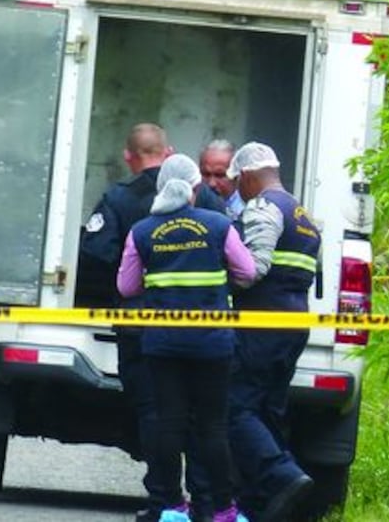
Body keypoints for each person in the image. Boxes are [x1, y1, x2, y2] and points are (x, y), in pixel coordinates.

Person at [78, 126, 215, 521]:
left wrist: (124, 287)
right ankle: (206, 501)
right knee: (202, 416)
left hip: (141, 329)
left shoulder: (119, 198)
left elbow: (98, 255)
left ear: (128, 156)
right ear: (169, 151)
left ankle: (166, 503)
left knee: (155, 415)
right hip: (204, 327)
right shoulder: (202, 195)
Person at [119, 164, 256, 522]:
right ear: (194, 189)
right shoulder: (219, 225)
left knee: (168, 424)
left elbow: (126, 287)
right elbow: (247, 272)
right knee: (212, 426)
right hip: (213, 344)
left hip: (163, 345)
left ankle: (171, 506)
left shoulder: (142, 231)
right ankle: (224, 509)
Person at [225, 142, 319, 521]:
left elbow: (252, 271)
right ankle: (267, 504)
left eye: (237, 183)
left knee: (235, 406)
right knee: (269, 410)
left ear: (247, 176)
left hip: (263, 323)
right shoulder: (302, 213)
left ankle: (282, 477)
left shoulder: (264, 207)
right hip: (295, 323)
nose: (236, 192)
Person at [199, 140, 244, 219]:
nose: (211, 184)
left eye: (220, 175)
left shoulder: (247, 212)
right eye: (206, 174)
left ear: (236, 176)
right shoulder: (191, 207)